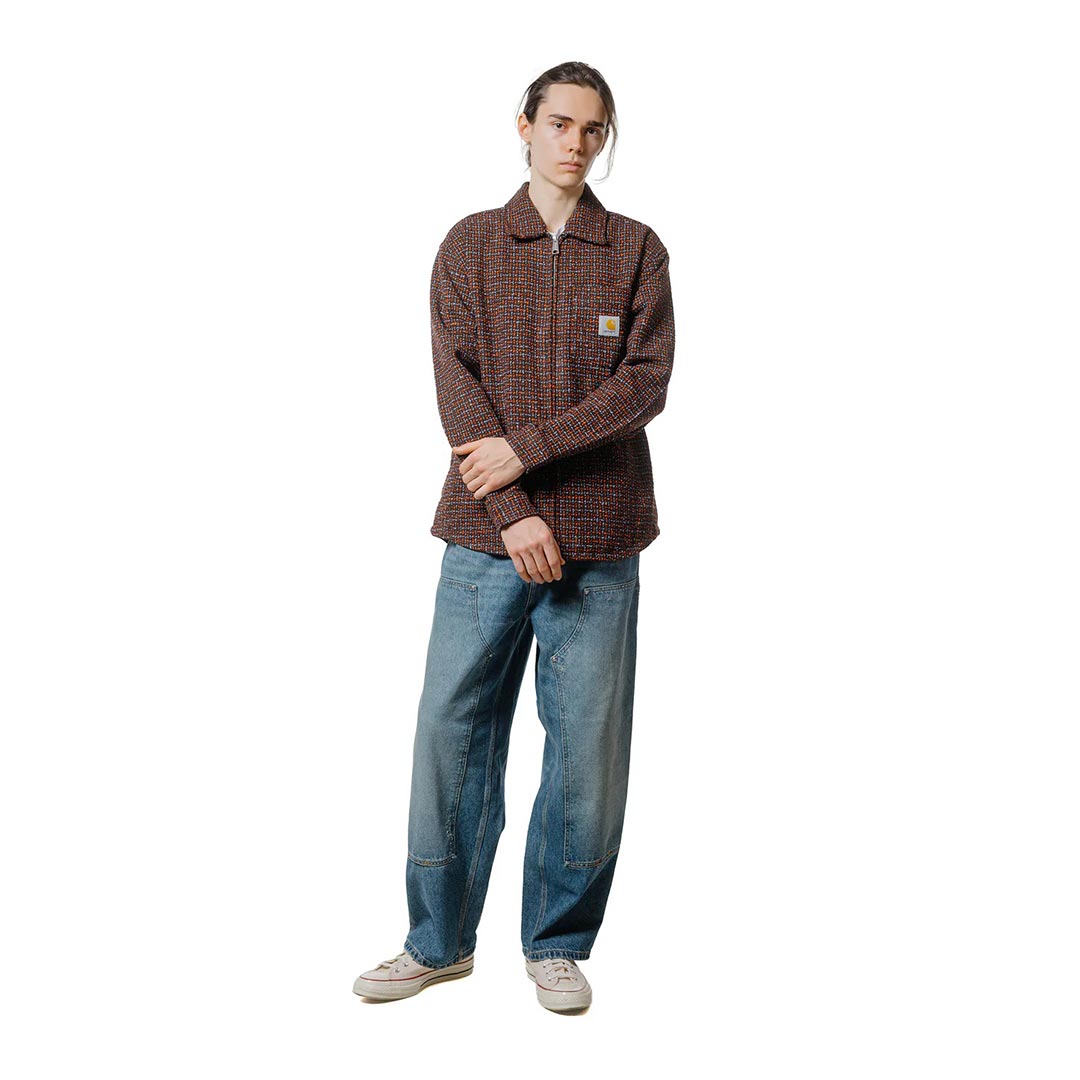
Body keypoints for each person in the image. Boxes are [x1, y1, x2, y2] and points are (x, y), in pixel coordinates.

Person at [353, 60, 675, 1013]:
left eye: (593, 128)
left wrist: (528, 452)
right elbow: (458, 389)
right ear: (525, 125)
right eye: (560, 123)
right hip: (482, 537)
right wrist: (513, 510)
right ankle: (436, 941)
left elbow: (643, 385)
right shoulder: (472, 244)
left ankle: (558, 943)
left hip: (603, 535)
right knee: (450, 735)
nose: (576, 142)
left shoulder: (637, 249)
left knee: (587, 750)